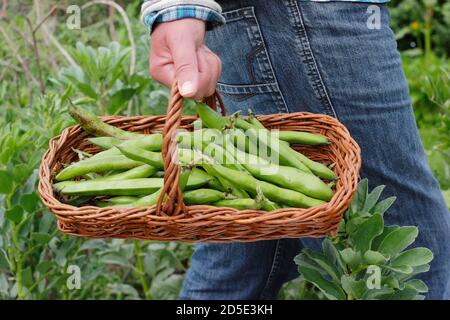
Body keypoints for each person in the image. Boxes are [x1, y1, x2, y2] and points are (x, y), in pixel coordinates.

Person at [140, 0, 450, 299]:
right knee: (405, 249)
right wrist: (177, 7)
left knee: (247, 232)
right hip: (305, 19)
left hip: (285, 21)